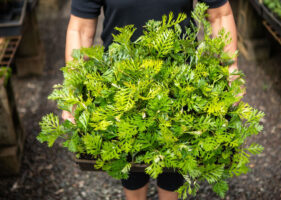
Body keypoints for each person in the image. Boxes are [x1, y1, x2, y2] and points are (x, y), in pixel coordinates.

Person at [63, 0, 239, 199]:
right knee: (128, 157)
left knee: (175, 157)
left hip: (181, 82)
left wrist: (230, 69)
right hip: (121, 82)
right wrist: (73, 87)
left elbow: (219, 15)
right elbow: (80, 29)